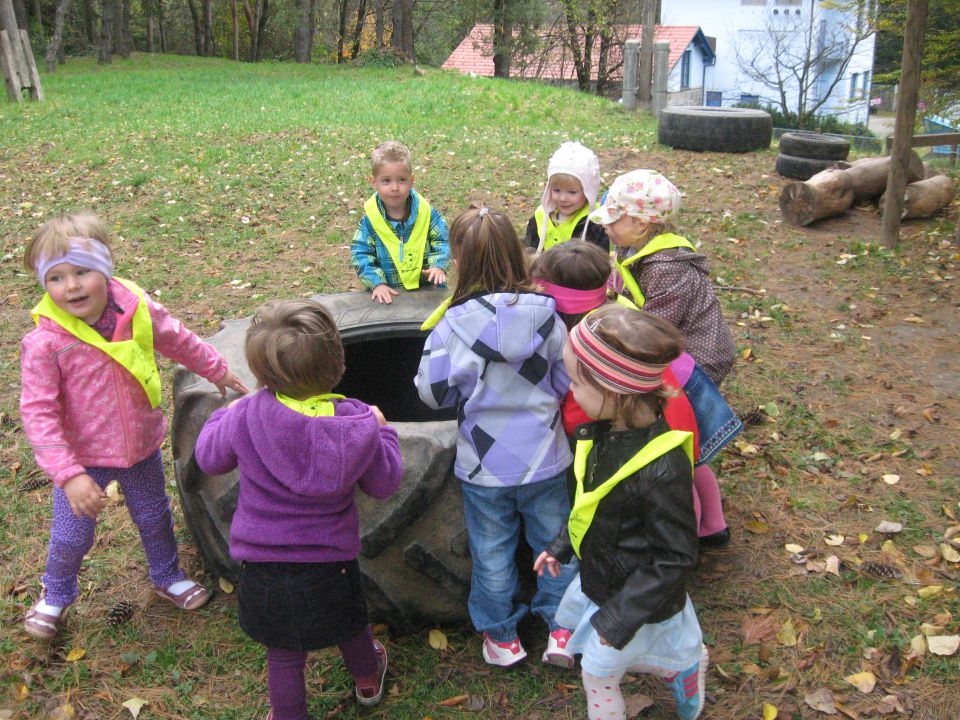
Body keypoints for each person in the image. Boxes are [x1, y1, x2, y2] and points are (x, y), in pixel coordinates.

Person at [20, 212, 249, 641]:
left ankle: (166, 576)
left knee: (153, 516)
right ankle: (56, 594)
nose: (70, 286)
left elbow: (177, 338)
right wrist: (69, 476)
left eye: (82, 272)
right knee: (72, 536)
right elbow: (38, 414)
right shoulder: (46, 342)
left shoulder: (135, 307)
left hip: (140, 444)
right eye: (55, 277)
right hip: (83, 459)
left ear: (104, 270)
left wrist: (216, 369)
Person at [194, 299, 403, 719]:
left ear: (261, 373)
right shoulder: (355, 421)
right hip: (331, 562)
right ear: (338, 362)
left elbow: (208, 458)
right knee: (350, 627)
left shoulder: (247, 414)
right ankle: (366, 679)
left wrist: (225, 415)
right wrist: (384, 433)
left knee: (284, 654)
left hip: (263, 563)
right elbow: (384, 483)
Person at [415, 206, 577, 668]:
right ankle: (562, 627)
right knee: (555, 543)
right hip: (546, 458)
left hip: (484, 469)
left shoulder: (450, 326)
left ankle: (502, 635)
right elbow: (567, 380)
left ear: (460, 263)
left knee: (491, 554)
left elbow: (433, 393)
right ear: (516, 255)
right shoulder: (548, 318)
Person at [535, 304, 708, 720]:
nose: (570, 391)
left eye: (577, 381)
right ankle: (679, 667)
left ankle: (684, 665)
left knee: (596, 670)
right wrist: (561, 546)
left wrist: (618, 618)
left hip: (636, 598)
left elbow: (675, 557)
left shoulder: (662, 469)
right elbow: (592, 506)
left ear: (613, 391)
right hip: (606, 577)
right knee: (625, 659)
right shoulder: (604, 434)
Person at [530, 241, 738, 547]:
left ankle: (686, 536)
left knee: (670, 489)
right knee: (689, 468)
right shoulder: (617, 321)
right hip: (678, 404)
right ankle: (711, 526)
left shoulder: (590, 361)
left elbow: (576, 421)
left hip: (661, 428)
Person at [589, 169, 736, 386]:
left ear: (641, 224)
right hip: (673, 341)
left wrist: (617, 336)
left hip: (701, 357)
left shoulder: (667, 269)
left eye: (613, 220)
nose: (605, 225)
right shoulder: (632, 247)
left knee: (680, 403)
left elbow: (656, 327)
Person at [351, 140, 451, 304]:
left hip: (428, 290)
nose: (395, 187)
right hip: (389, 294)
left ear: (411, 181)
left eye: (402, 180)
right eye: (386, 181)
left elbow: (444, 239)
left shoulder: (427, 214)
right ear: (373, 182)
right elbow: (360, 254)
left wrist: (439, 266)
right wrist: (377, 283)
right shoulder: (370, 221)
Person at [525, 141, 608, 254]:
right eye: (556, 190)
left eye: (572, 192)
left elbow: (599, 263)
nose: (563, 198)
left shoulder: (595, 222)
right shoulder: (541, 216)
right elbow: (530, 251)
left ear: (588, 191)